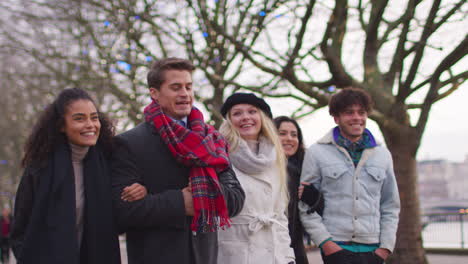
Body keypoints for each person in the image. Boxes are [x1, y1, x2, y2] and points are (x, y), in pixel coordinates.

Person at [110, 57, 245, 264]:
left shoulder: (213, 140)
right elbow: (122, 213)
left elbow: (236, 199)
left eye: (188, 87)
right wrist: (179, 203)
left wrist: (204, 194)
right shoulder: (128, 144)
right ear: (154, 93)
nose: (184, 94)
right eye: (175, 87)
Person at [10, 88, 147, 264]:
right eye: (79, 119)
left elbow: (119, 218)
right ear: (61, 125)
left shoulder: (109, 161)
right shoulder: (39, 168)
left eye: (94, 117)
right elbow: (20, 229)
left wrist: (139, 191)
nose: (90, 125)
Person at [299, 87, 400, 264]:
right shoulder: (316, 152)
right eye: (349, 113)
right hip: (336, 247)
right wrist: (326, 243)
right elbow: (306, 205)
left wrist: (385, 248)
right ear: (336, 118)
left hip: (374, 249)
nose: (357, 118)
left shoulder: (383, 154)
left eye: (361, 112)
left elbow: (390, 205)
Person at [217, 93, 295, 264]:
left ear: (262, 118)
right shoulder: (219, 155)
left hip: (275, 254)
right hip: (233, 254)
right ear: (229, 121)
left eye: (252, 111)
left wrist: (288, 257)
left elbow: (280, 216)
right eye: (237, 113)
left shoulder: (276, 158)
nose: (246, 117)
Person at [274, 116, 324, 264]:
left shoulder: (305, 171)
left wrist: (314, 198)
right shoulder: (264, 169)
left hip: (296, 245)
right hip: (271, 246)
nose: (289, 138)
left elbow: (324, 211)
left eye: (294, 135)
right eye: (282, 133)